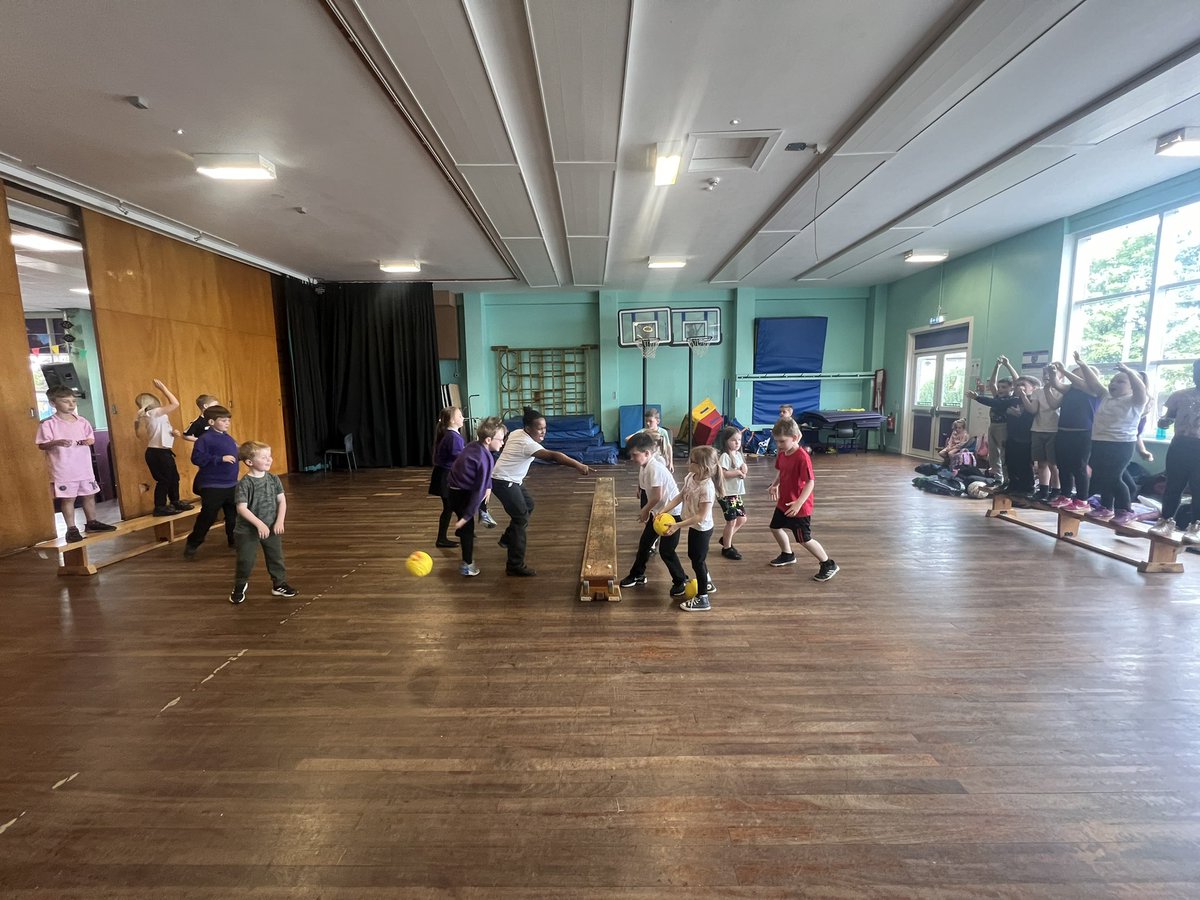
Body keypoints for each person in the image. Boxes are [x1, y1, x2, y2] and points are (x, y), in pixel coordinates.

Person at [490, 406, 591, 576]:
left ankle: (508, 538)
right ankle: (514, 565)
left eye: (545, 428)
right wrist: (578, 465)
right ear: (528, 429)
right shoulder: (526, 443)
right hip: (503, 481)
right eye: (539, 428)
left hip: (511, 479)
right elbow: (554, 456)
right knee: (520, 517)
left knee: (528, 504)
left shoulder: (516, 433)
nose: (543, 432)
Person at [1063, 352, 1147, 525]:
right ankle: (1106, 506)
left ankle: (1125, 509)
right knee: (1101, 475)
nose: (1113, 383)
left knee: (1113, 477)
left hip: (1121, 444)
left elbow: (1141, 389)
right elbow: (1093, 383)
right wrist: (1083, 365)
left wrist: (1130, 372)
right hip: (1099, 441)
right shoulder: (1105, 395)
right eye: (1113, 380)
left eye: (1120, 381)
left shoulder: (1136, 400)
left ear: (1132, 387)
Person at [35, 385, 117, 543]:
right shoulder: (48, 424)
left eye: (73, 401)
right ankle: (71, 528)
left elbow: (90, 438)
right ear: (53, 403)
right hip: (63, 468)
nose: (71, 404)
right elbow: (42, 444)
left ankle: (91, 522)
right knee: (68, 498)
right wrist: (56, 442)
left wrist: (88, 441)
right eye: (66, 401)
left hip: (83, 467)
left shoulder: (82, 421)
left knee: (89, 494)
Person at [767, 417, 838, 582]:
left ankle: (828, 563)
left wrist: (799, 502)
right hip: (785, 502)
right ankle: (787, 554)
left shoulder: (802, 457)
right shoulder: (783, 453)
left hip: (799, 507)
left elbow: (810, 482)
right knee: (775, 527)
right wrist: (775, 484)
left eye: (782, 441)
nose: (779, 445)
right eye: (776, 441)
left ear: (795, 437)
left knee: (804, 539)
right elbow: (781, 471)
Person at [618, 431, 688, 594]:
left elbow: (657, 496)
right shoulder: (645, 466)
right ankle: (637, 575)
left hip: (671, 515)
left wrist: (645, 511)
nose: (632, 458)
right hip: (658, 513)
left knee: (667, 551)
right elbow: (648, 491)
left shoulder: (655, 468)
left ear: (647, 453)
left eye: (635, 455)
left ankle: (681, 581)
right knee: (644, 545)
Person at [230, 441, 297, 604]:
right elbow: (242, 508)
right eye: (264, 457)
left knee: (276, 557)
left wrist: (279, 520)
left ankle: (279, 584)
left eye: (269, 456)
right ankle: (239, 586)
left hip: (271, 527)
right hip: (247, 531)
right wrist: (259, 524)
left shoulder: (274, 479)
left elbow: (282, 501)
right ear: (249, 462)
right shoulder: (244, 483)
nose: (269, 460)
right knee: (246, 560)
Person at [662, 445, 723, 612]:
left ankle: (703, 598)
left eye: (692, 461)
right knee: (694, 556)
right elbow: (681, 495)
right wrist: (663, 510)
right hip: (694, 526)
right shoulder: (691, 476)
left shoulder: (707, 488)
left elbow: (701, 517)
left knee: (698, 561)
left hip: (702, 528)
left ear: (702, 467)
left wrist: (676, 526)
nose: (688, 463)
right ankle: (708, 582)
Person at [1149, 359, 1200, 541]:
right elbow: (1167, 418)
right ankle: (1166, 521)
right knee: (1173, 486)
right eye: (1196, 370)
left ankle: (1196, 526)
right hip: (1180, 444)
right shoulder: (1179, 395)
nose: (1198, 374)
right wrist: (1164, 421)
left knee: (1198, 487)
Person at [448, 417, 506, 576]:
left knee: (486, 489)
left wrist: (489, 487)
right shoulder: (485, 458)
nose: (502, 443)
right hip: (463, 494)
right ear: (488, 440)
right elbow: (478, 491)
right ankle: (467, 565)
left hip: (453, 489)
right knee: (468, 529)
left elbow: (484, 480)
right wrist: (467, 516)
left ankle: (483, 512)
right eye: (500, 440)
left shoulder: (473, 445)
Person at [183, 405, 238, 559]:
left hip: (231, 484)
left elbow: (234, 456)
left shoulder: (227, 437)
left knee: (233, 515)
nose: (227, 423)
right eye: (223, 421)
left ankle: (234, 541)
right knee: (208, 515)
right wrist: (219, 459)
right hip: (213, 485)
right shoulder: (205, 439)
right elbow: (196, 458)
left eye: (228, 420)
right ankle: (193, 543)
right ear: (212, 422)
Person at [1045, 360, 1102, 512]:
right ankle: (1066, 495)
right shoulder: (1069, 390)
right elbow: (1057, 384)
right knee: (1063, 466)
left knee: (1079, 467)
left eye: (1079, 376)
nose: (1074, 379)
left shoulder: (1093, 391)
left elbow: (1083, 383)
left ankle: (1082, 499)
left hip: (1083, 433)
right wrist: (1052, 372)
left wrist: (1064, 371)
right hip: (1064, 432)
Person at [134, 378, 193, 516]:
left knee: (174, 478)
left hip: (163, 452)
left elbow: (162, 430)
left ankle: (175, 501)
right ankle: (160, 507)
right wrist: (163, 388)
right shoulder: (153, 413)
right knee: (164, 480)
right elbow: (175, 403)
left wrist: (173, 432)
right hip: (157, 453)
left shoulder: (158, 415)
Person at [967, 356, 1022, 484]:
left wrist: (1007, 365)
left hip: (1004, 427)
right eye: (1000, 387)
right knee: (993, 455)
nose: (1001, 389)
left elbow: (1017, 380)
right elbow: (992, 384)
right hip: (993, 426)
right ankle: (998, 478)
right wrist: (996, 366)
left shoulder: (1012, 399)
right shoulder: (997, 397)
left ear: (1011, 388)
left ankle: (1007, 480)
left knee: (1003, 454)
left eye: (1004, 387)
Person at [430, 407, 465, 548]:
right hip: (446, 477)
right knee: (450, 507)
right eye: (460, 416)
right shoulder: (452, 437)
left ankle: (460, 531)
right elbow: (459, 457)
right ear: (452, 420)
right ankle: (442, 538)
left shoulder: (452, 435)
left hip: (445, 475)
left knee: (453, 506)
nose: (463, 418)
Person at [715, 425, 748, 559]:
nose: (737, 443)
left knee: (742, 519)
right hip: (726, 493)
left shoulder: (738, 454)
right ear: (726, 441)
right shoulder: (724, 456)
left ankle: (725, 539)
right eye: (733, 440)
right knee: (732, 521)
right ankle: (727, 547)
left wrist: (744, 469)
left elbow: (742, 468)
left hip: (736, 492)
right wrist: (738, 472)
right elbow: (722, 473)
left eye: (739, 440)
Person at [1028, 369, 1061, 502]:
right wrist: (1024, 396)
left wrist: (1049, 389)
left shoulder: (1062, 391)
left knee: (1053, 464)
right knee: (1041, 463)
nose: (1047, 376)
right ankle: (1043, 490)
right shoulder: (1037, 392)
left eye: (1051, 374)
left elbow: (1054, 407)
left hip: (1054, 430)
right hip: (1037, 429)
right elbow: (1033, 410)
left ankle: (1056, 491)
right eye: (1045, 374)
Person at [1004, 376, 1039, 496]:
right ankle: (1013, 485)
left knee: (1024, 464)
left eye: (1023, 384)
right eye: (1018, 385)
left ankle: (1027, 488)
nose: (1020, 387)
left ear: (1033, 388)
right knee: (1010, 462)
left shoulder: (1034, 400)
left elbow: (1031, 415)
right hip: (1012, 436)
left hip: (1026, 438)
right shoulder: (1015, 400)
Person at [625, 407, 673, 472]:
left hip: (660, 458)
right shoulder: (644, 431)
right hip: (648, 459)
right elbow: (627, 439)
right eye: (646, 421)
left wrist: (671, 463)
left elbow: (668, 447)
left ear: (657, 421)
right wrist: (642, 434)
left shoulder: (663, 432)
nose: (648, 423)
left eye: (650, 421)